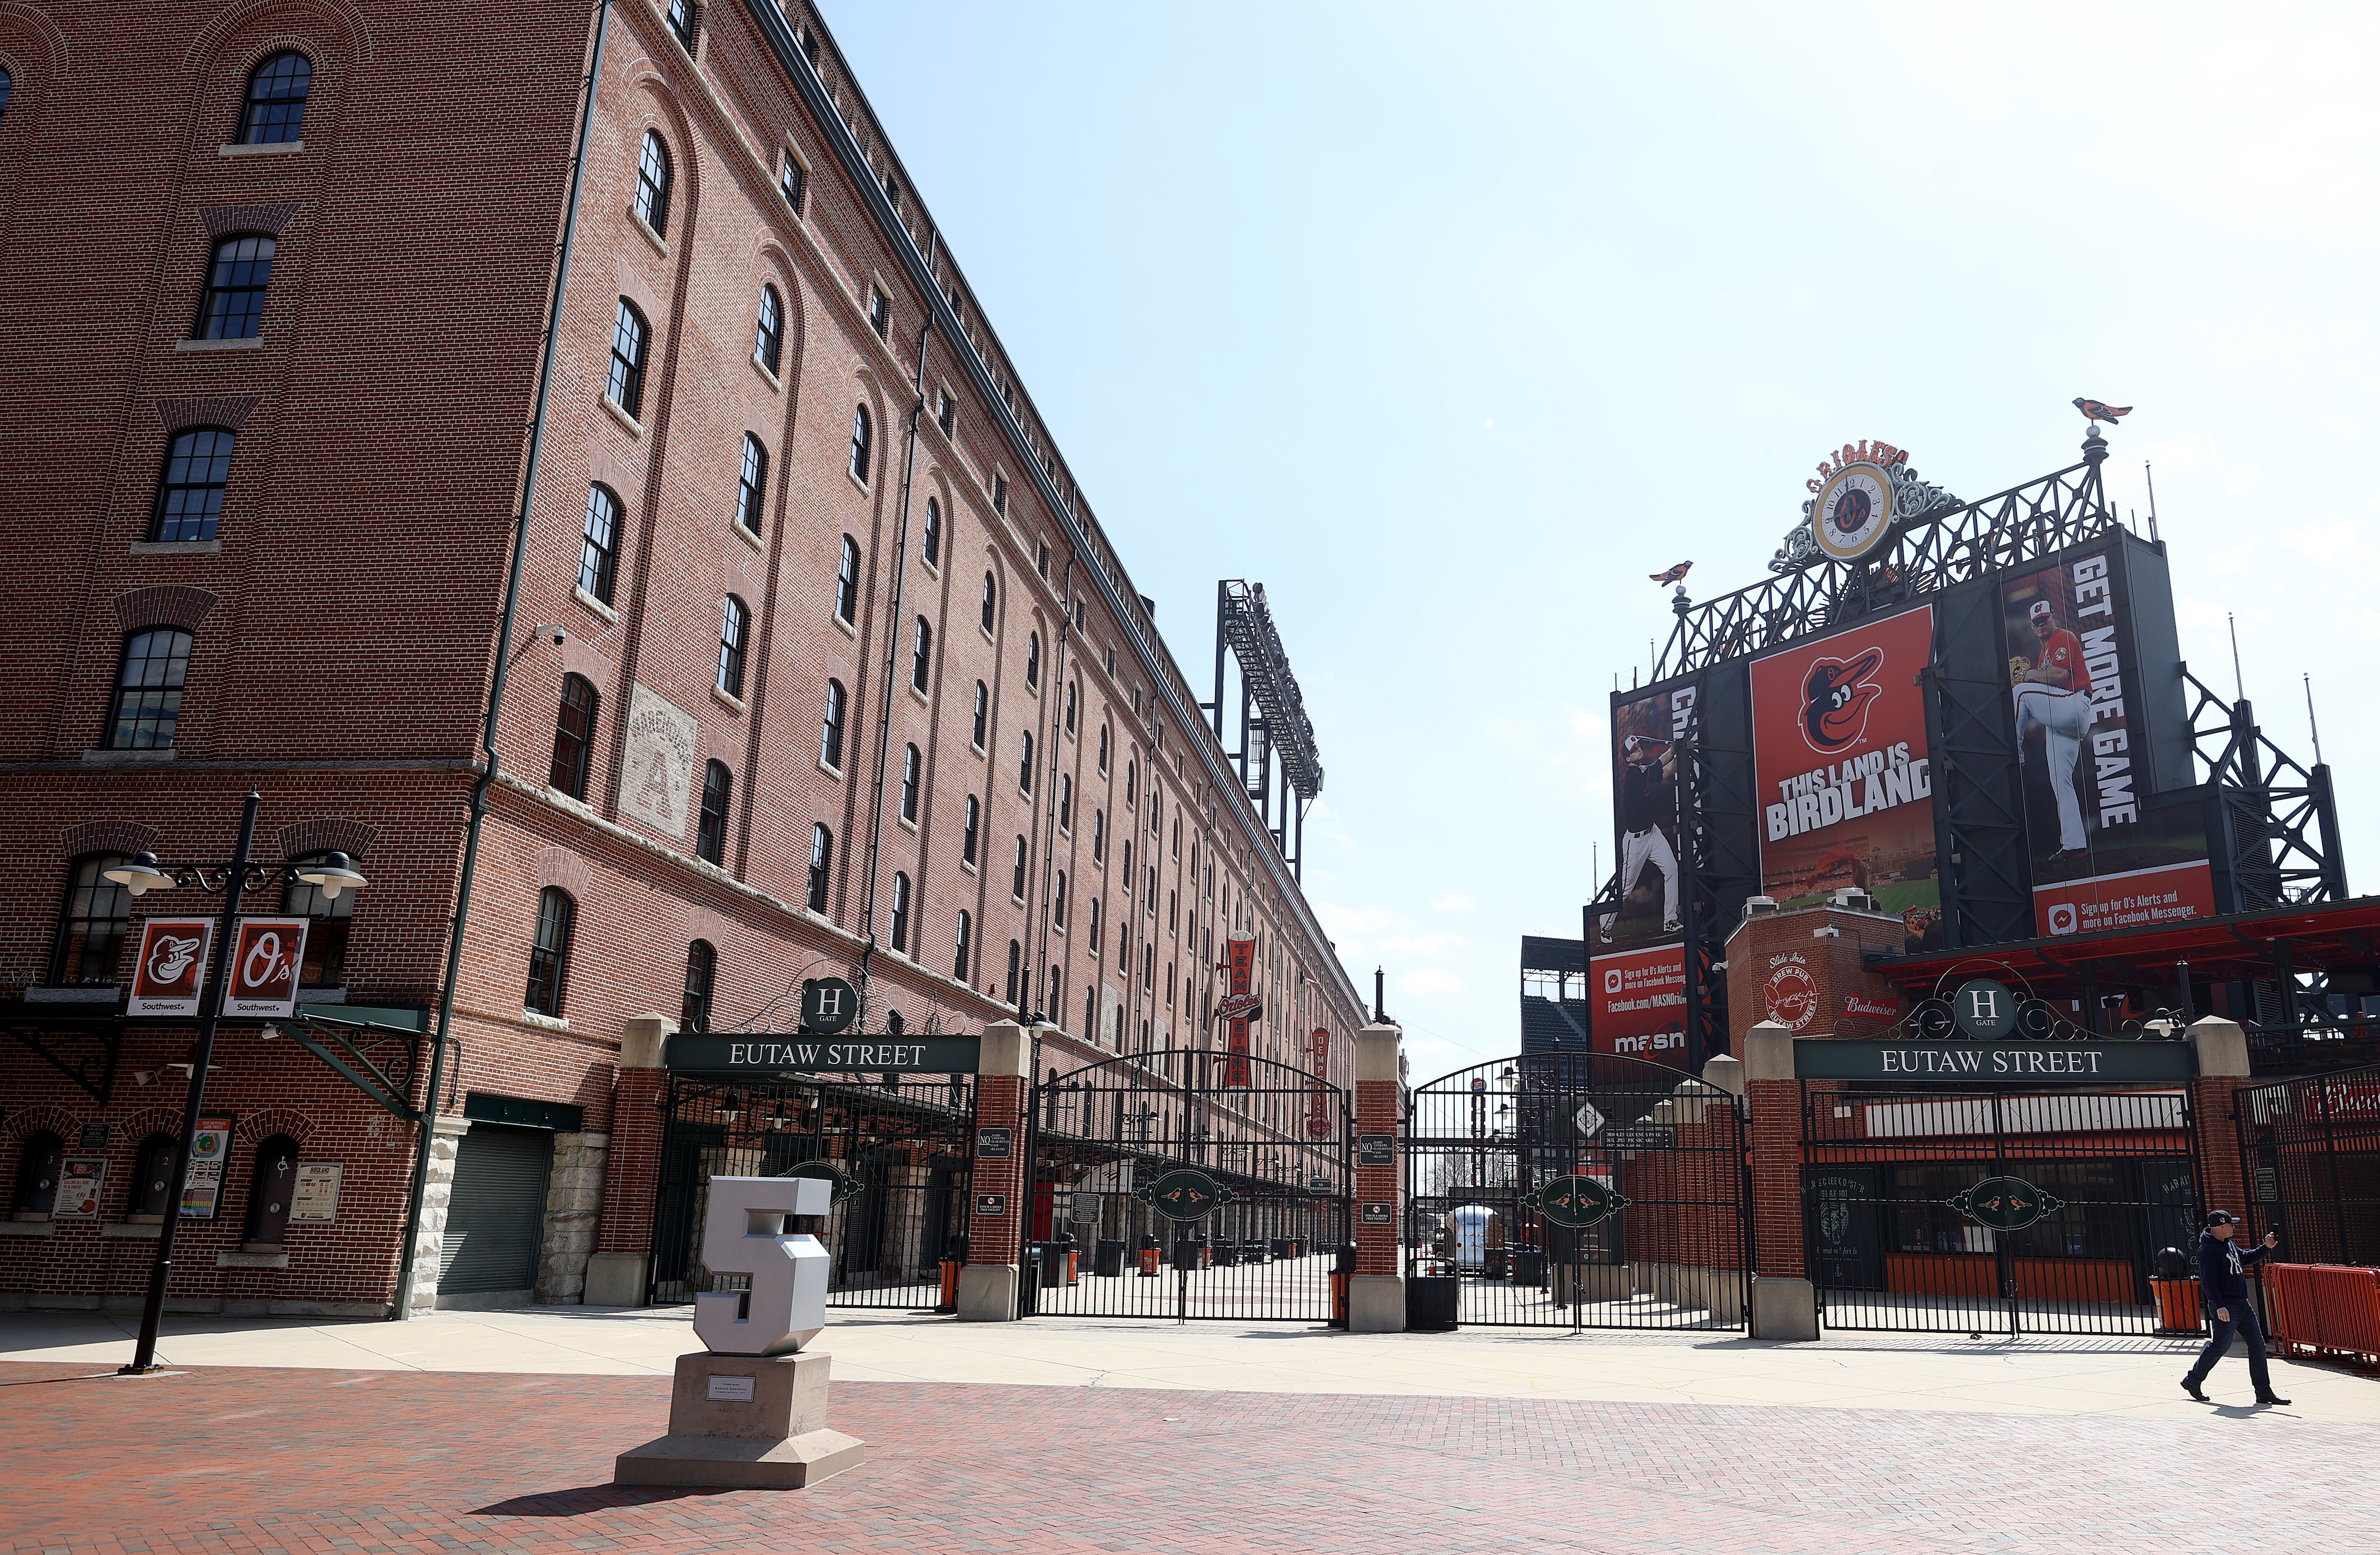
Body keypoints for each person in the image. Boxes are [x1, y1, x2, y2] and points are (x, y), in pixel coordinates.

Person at [2012, 597, 2094, 858]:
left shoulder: (2063, 637)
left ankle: (2017, 754)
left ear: (2053, 618)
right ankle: (2075, 845)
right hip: (2063, 720)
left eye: (2045, 620)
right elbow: (2047, 684)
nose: (2041, 625)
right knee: (2060, 781)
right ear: (2032, 626)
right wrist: (2033, 673)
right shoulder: (2041, 655)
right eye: (2037, 622)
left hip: (2074, 705)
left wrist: (2027, 676)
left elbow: (2060, 675)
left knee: (2022, 692)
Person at [2182, 1211, 2290, 1405]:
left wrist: (2266, 1247)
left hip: (2242, 1303)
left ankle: (2263, 1392)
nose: (2234, 1227)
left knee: (2258, 1346)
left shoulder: (2228, 1244)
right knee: (2220, 1346)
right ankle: (2193, 1380)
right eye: (2231, 1224)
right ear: (2222, 1226)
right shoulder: (2208, 1250)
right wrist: (2219, 1305)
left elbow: (2246, 1258)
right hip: (2226, 1306)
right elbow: (2208, 1281)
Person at [1616, 734, 1680, 933]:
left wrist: (1682, 754)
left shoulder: (1644, 774)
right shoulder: (1635, 775)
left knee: (1671, 869)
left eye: (1638, 747)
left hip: (1652, 833)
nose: (1639, 750)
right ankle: (1605, 923)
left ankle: (1670, 919)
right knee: (1626, 888)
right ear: (1628, 759)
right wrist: (1674, 750)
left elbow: (1667, 772)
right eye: (1634, 751)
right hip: (1635, 841)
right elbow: (1661, 764)